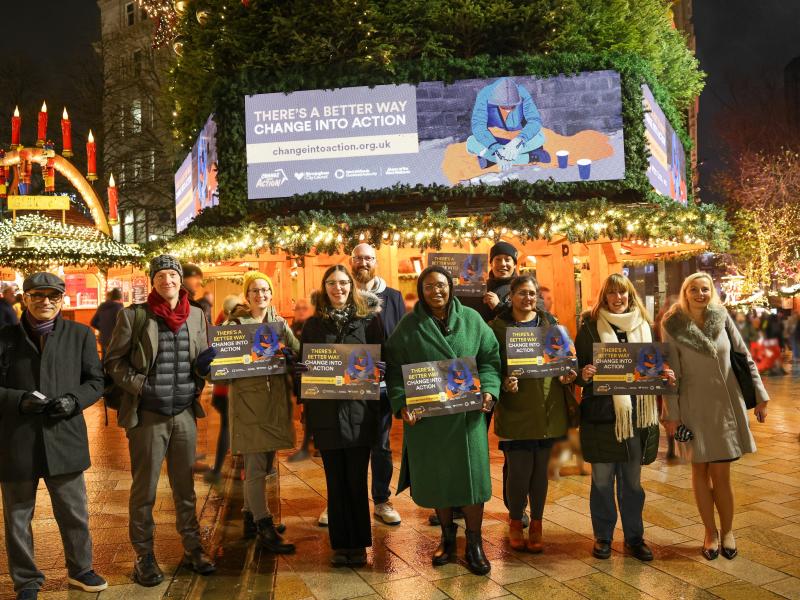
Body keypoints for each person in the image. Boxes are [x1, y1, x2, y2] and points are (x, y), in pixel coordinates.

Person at [105, 255, 218, 587]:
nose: (166, 280)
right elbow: (113, 361)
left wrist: (203, 369)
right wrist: (141, 386)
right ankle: (144, 555)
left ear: (180, 279)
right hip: (148, 416)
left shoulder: (197, 316)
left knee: (185, 489)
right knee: (145, 490)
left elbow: (199, 362)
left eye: (172, 274)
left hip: (183, 412)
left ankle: (193, 547)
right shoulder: (135, 316)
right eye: (160, 275)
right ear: (152, 280)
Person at [386, 265, 501, 575]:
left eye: (441, 285)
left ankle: (474, 542)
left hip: (467, 418)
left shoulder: (473, 321)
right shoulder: (409, 326)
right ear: (421, 292)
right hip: (430, 421)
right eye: (429, 287)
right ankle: (448, 538)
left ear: (450, 287)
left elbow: (490, 357)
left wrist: (490, 390)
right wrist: (401, 404)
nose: (436, 291)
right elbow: (394, 370)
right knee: (440, 480)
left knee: (473, 481)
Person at [0, 272, 108, 599]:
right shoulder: (4, 337)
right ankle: (27, 581)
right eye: (37, 295)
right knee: (18, 517)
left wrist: (74, 401)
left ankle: (81, 569)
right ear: (25, 298)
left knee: (74, 511)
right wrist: (17, 399)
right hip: (17, 440)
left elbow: (95, 381)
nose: (45, 302)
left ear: (62, 299)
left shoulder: (81, 335)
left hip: (64, 436)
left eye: (53, 296)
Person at [661, 272, 769, 561]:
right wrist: (671, 414)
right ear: (685, 292)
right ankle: (710, 532)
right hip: (692, 407)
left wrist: (759, 396)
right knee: (700, 471)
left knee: (722, 473)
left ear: (711, 291)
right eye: (694, 289)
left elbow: (743, 356)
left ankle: (728, 531)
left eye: (705, 289)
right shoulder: (672, 325)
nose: (700, 294)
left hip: (725, 405)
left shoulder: (721, 317)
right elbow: (670, 372)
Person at [575, 273, 674, 562]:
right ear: (604, 297)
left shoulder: (644, 326)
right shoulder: (590, 328)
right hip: (601, 417)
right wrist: (584, 374)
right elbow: (577, 373)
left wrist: (663, 374)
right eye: (613, 294)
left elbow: (650, 369)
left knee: (632, 483)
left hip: (636, 418)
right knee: (603, 482)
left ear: (631, 296)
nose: (619, 299)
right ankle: (603, 537)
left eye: (624, 294)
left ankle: (634, 538)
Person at [296, 265, 385, 567]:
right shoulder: (313, 326)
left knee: (357, 480)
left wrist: (381, 372)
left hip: (360, 412)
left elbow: (384, 358)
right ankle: (340, 544)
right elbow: (303, 367)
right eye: (332, 283)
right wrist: (301, 373)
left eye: (344, 283)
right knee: (335, 481)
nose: (338, 288)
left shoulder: (370, 322)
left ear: (352, 287)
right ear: (324, 288)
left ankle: (358, 544)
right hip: (326, 413)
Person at [489, 275, 576, 553]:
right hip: (516, 410)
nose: (528, 298)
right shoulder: (496, 328)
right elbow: (488, 364)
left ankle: (537, 522)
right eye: (522, 293)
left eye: (532, 294)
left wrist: (568, 376)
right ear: (510, 296)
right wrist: (503, 380)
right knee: (518, 472)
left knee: (541, 473)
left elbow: (568, 361)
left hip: (548, 409)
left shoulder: (552, 326)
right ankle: (516, 520)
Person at [223, 271, 299, 554]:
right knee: (255, 466)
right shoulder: (236, 324)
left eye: (265, 289)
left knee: (266, 463)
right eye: (255, 290)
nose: (261, 295)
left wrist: (292, 356)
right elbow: (222, 366)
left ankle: (249, 515)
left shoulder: (278, 323)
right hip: (248, 403)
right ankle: (263, 523)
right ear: (247, 295)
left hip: (273, 402)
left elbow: (297, 350)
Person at [350, 242, 405, 526]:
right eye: (358, 258)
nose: (363, 262)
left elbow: (402, 339)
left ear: (376, 262)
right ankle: (344, 500)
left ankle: (382, 500)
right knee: (347, 444)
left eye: (368, 258)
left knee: (381, 445)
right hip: (347, 384)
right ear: (351, 262)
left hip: (382, 386)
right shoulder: (340, 294)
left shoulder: (393, 297)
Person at [202, 295, 245, 484]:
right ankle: (235, 467)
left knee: (228, 428)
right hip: (232, 391)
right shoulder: (244, 328)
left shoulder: (219, 329)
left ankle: (220, 468)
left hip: (222, 391)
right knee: (234, 429)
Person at [466, 77, 550, 170]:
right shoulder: (484, 94)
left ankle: (491, 160)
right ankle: (529, 157)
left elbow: (534, 120)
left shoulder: (523, 93)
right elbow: (478, 126)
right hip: (493, 137)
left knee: (541, 136)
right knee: (471, 142)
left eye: (513, 106)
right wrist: (495, 148)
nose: (509, 110)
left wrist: (518, 141)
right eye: (504, 107)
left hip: (517, 137)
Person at [91, 288, 124, 357]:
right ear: (120, 298)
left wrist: (103, 328)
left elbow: (93, 322)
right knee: (114, 362)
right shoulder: (120, 309)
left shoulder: (102, 306)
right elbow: (123, 326)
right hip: (115, 340)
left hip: (104, 339)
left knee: (105, 360)